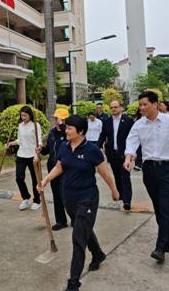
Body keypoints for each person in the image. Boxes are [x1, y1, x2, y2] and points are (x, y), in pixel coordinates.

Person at [38, 114, 119, 291]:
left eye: (69, 128)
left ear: (80, 131)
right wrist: (46, 180)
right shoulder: (64, 146)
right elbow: (60, 166)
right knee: (84, 230)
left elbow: (104, 173)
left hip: (87, 198)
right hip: (69, 197)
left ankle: (73, 282)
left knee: (78, 238)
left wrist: (114, 190)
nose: (65, 131)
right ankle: (98, 254)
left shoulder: (92, 150)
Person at [124, 91, 169, 263]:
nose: (141, 108)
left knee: (164, 205)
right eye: (140, 105)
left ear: (155, 104)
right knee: (158, 206)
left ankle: (161, 248)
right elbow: (131, 142)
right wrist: (128, 157)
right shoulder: (139, 124)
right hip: (149, 169)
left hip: (168, 169)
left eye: (145, 104)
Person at [97, 100, 135, 211]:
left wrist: (133, 153)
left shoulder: (128, 120)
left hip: (125, 154)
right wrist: (96, 148)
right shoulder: (107, 121)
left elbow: (133, 137)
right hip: (112, 154)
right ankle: (121, 196)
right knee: (117, 176)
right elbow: (102, 136)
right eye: (111, 107)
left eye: (115, 107)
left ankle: (127, 201)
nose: (113, 109)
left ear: (121, 108)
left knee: (125, 177)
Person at [39, 108, 70, 230]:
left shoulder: (68, 132)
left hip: (65, 168)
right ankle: (61, 221)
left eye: (58, 118)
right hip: (53, 167)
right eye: (56, 118)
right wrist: (41, 150)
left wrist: (63, 127)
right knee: (56, 195)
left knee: (66, 195)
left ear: (64, 120)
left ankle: (74, 217)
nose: (56, 120)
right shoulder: (52, 132)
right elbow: (48, 149)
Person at [6, 105, 42, 211]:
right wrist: (10, 143)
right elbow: (20, 140)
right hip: (21, 154)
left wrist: (37, 154)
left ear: (30, 115)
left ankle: (37, 200)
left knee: (35, 179)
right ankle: (26, 197)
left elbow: (39, 141)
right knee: (19, 178)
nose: (23, 118)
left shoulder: (35, 125)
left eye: (25, 115)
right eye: (22, 115)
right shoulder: (20, 126)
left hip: (33, 156)